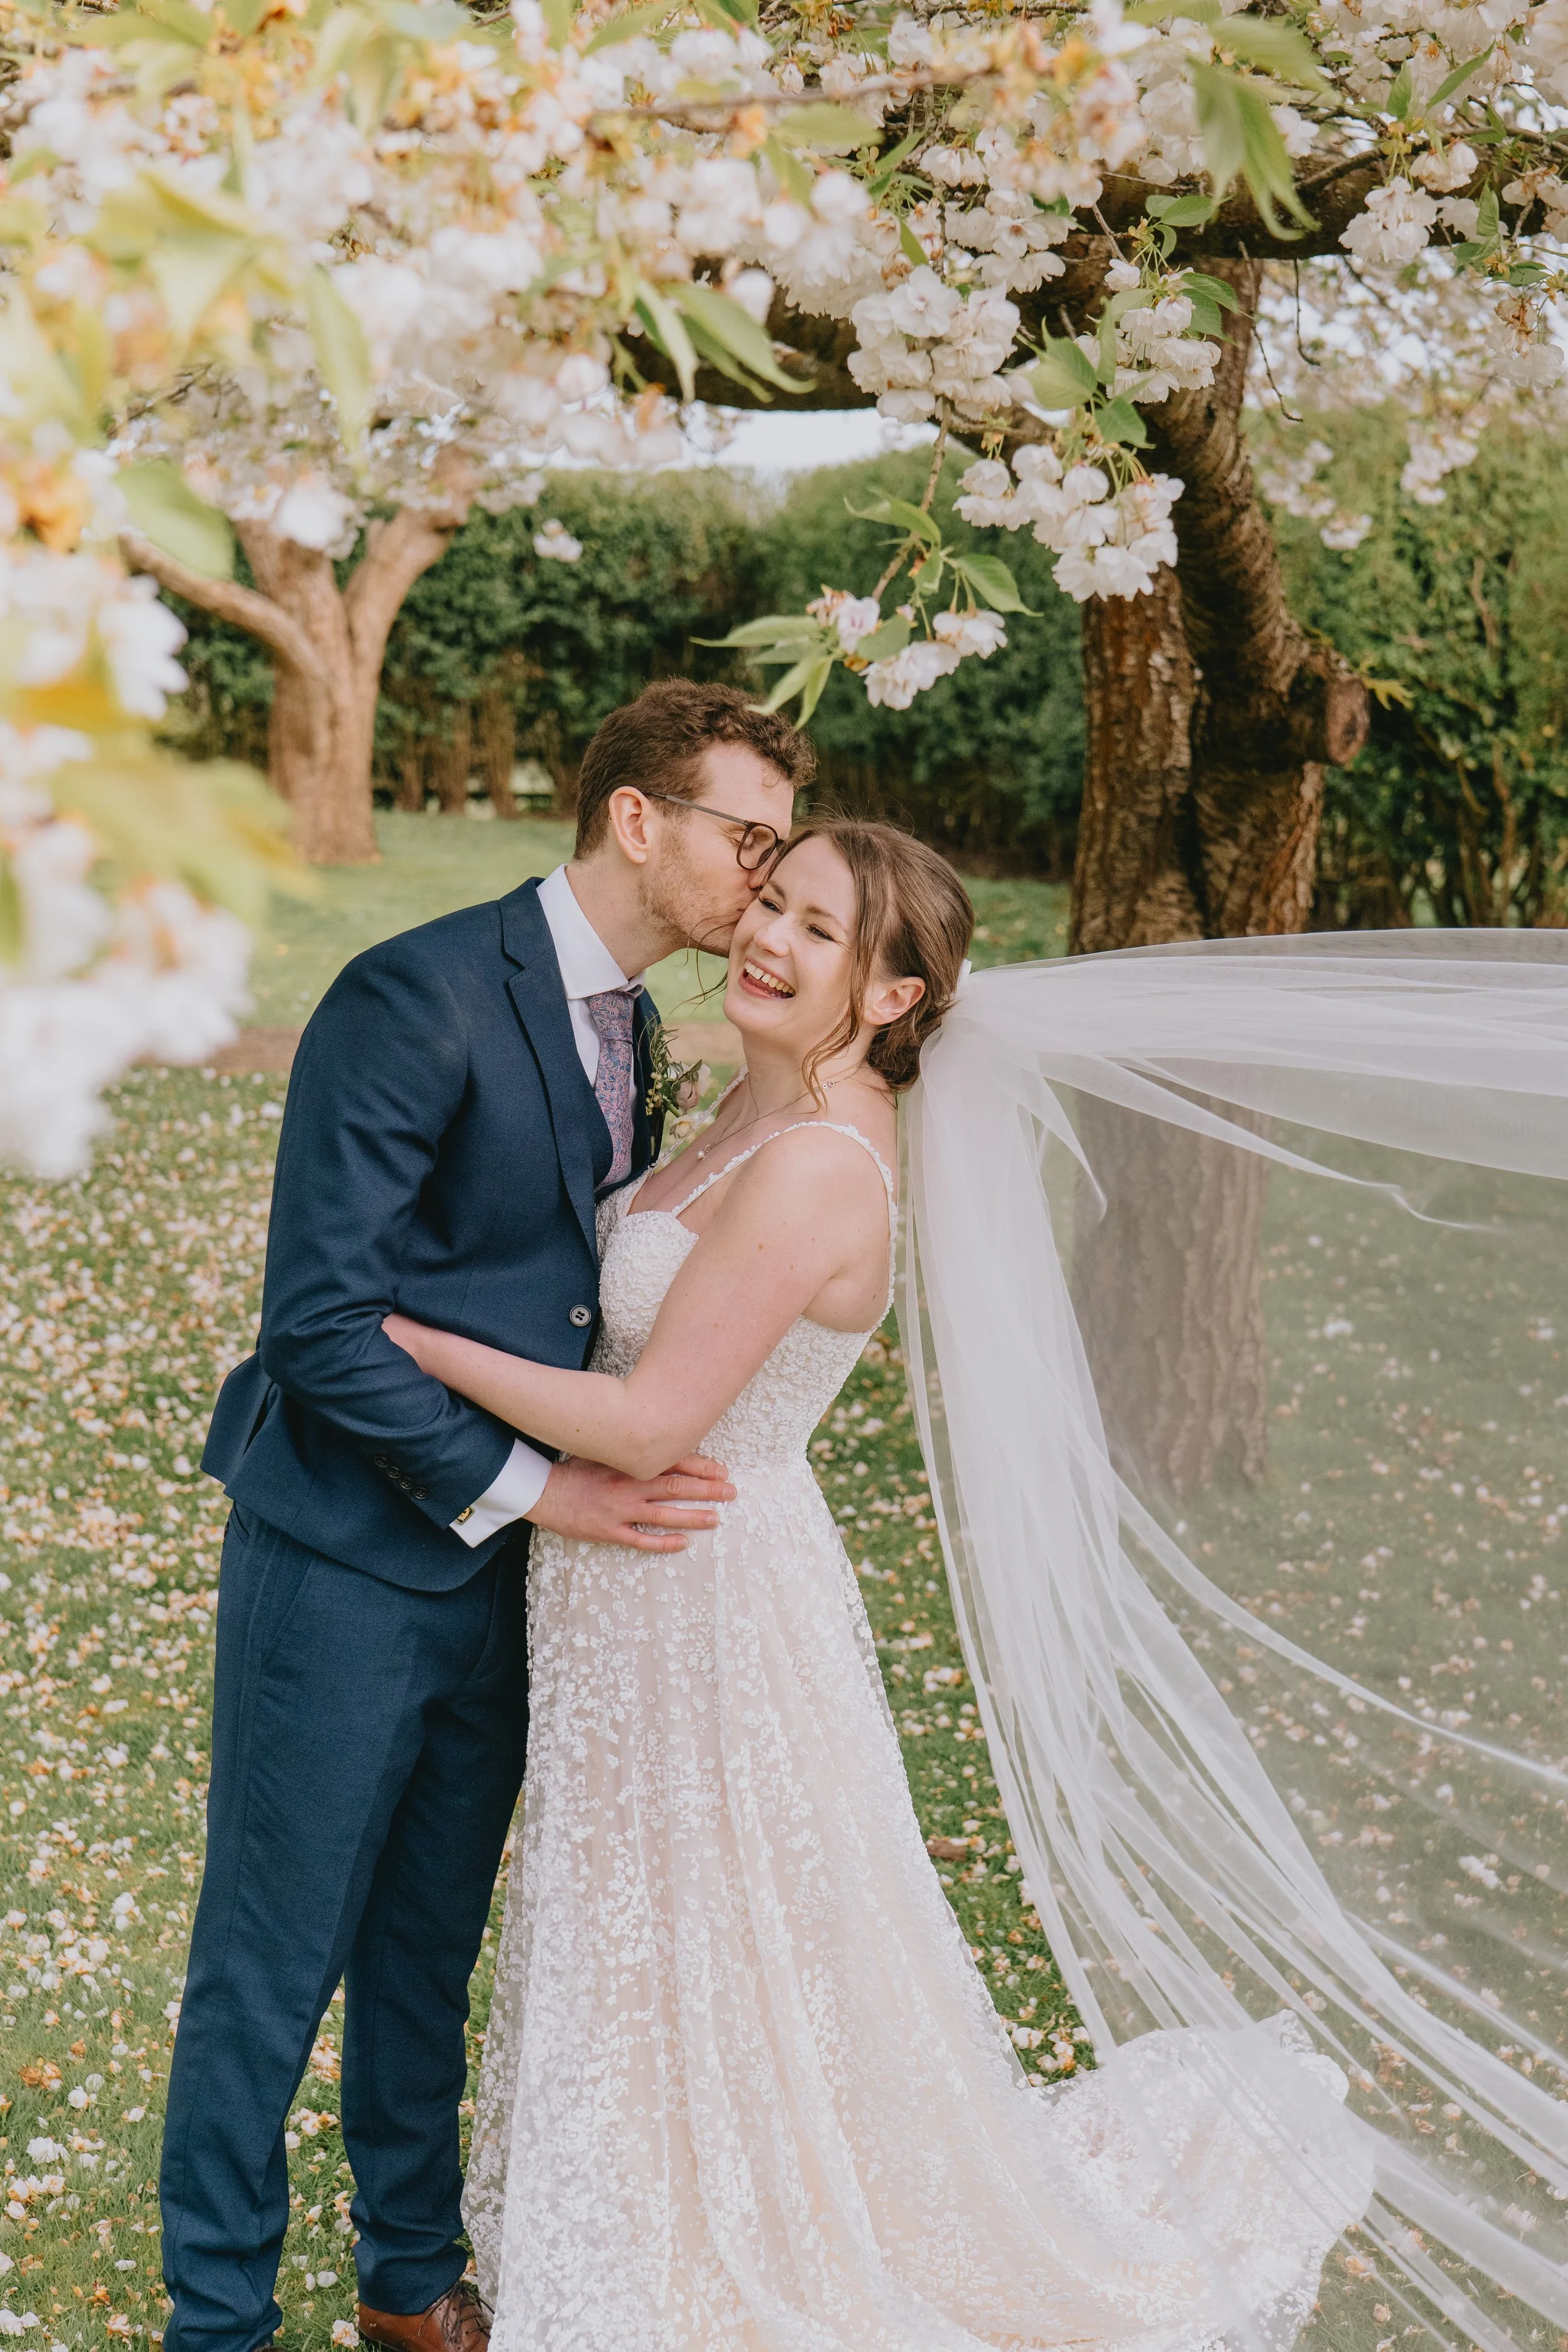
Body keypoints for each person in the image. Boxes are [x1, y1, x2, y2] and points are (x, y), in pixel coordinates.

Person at [381, 822, 1382, 2352]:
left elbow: (652, 1425)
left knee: (737, 1926)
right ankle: (652, 2189)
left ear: (898, 995)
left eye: (819, 932)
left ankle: (745, 2229)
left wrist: (402, 1339)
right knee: (647, 1916)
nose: (766, 942)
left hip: (705, 1590)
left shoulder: (818, 1169)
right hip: (626, 1587)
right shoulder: (741, 1103)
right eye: (768, 905)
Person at [162, 681, 815, 2352]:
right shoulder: (415, 991)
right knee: (270, 1953)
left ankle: (405, 2273)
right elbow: (317, 1323)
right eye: (749, 835)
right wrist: (540, 1484)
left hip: (512, 1586)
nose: (764, 869)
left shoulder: (638, 1030)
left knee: (425, 1942)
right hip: (343, 1558)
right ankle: (219, 2317)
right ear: (636, 818)